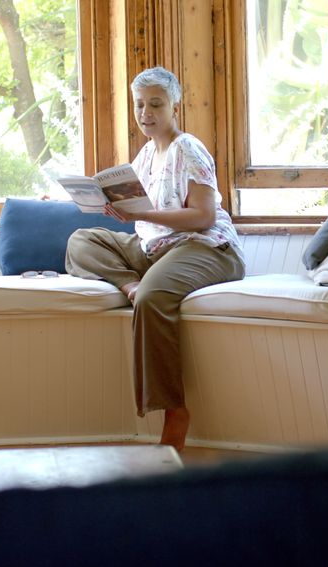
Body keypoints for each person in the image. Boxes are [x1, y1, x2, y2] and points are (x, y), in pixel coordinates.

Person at [65, 67, 245, 451]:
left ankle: (174, 412)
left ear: (175, 105)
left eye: (155, 104)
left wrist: (139, 215)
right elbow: (142, 216)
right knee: (82, 241)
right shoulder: (146, 154)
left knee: (152, 299)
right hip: (155, 247)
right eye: (140, 104)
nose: (146, 112)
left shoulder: (188, 149)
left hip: (205, 247)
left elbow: (203, 217)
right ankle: (128, 283)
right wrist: (113, 208)